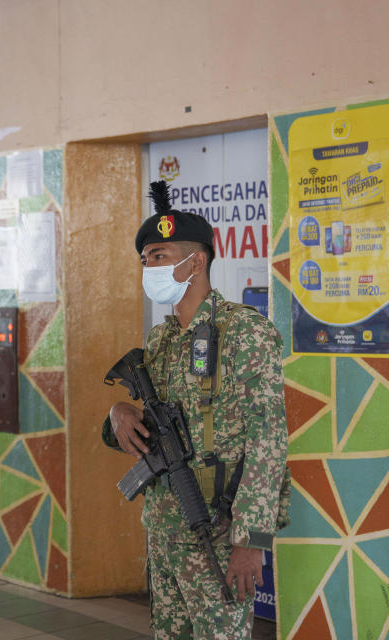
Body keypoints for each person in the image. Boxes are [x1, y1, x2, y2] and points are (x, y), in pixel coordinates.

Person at [102, 181, 288, 639]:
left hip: (218, 533)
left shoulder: (245, 333)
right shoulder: (162, 339)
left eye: (159, 258)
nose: (149, 268)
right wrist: (117, 414)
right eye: (145, 260)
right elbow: (151, 425)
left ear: (196, 261)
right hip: (164, 527)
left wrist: (251, 542)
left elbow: (268, 443)